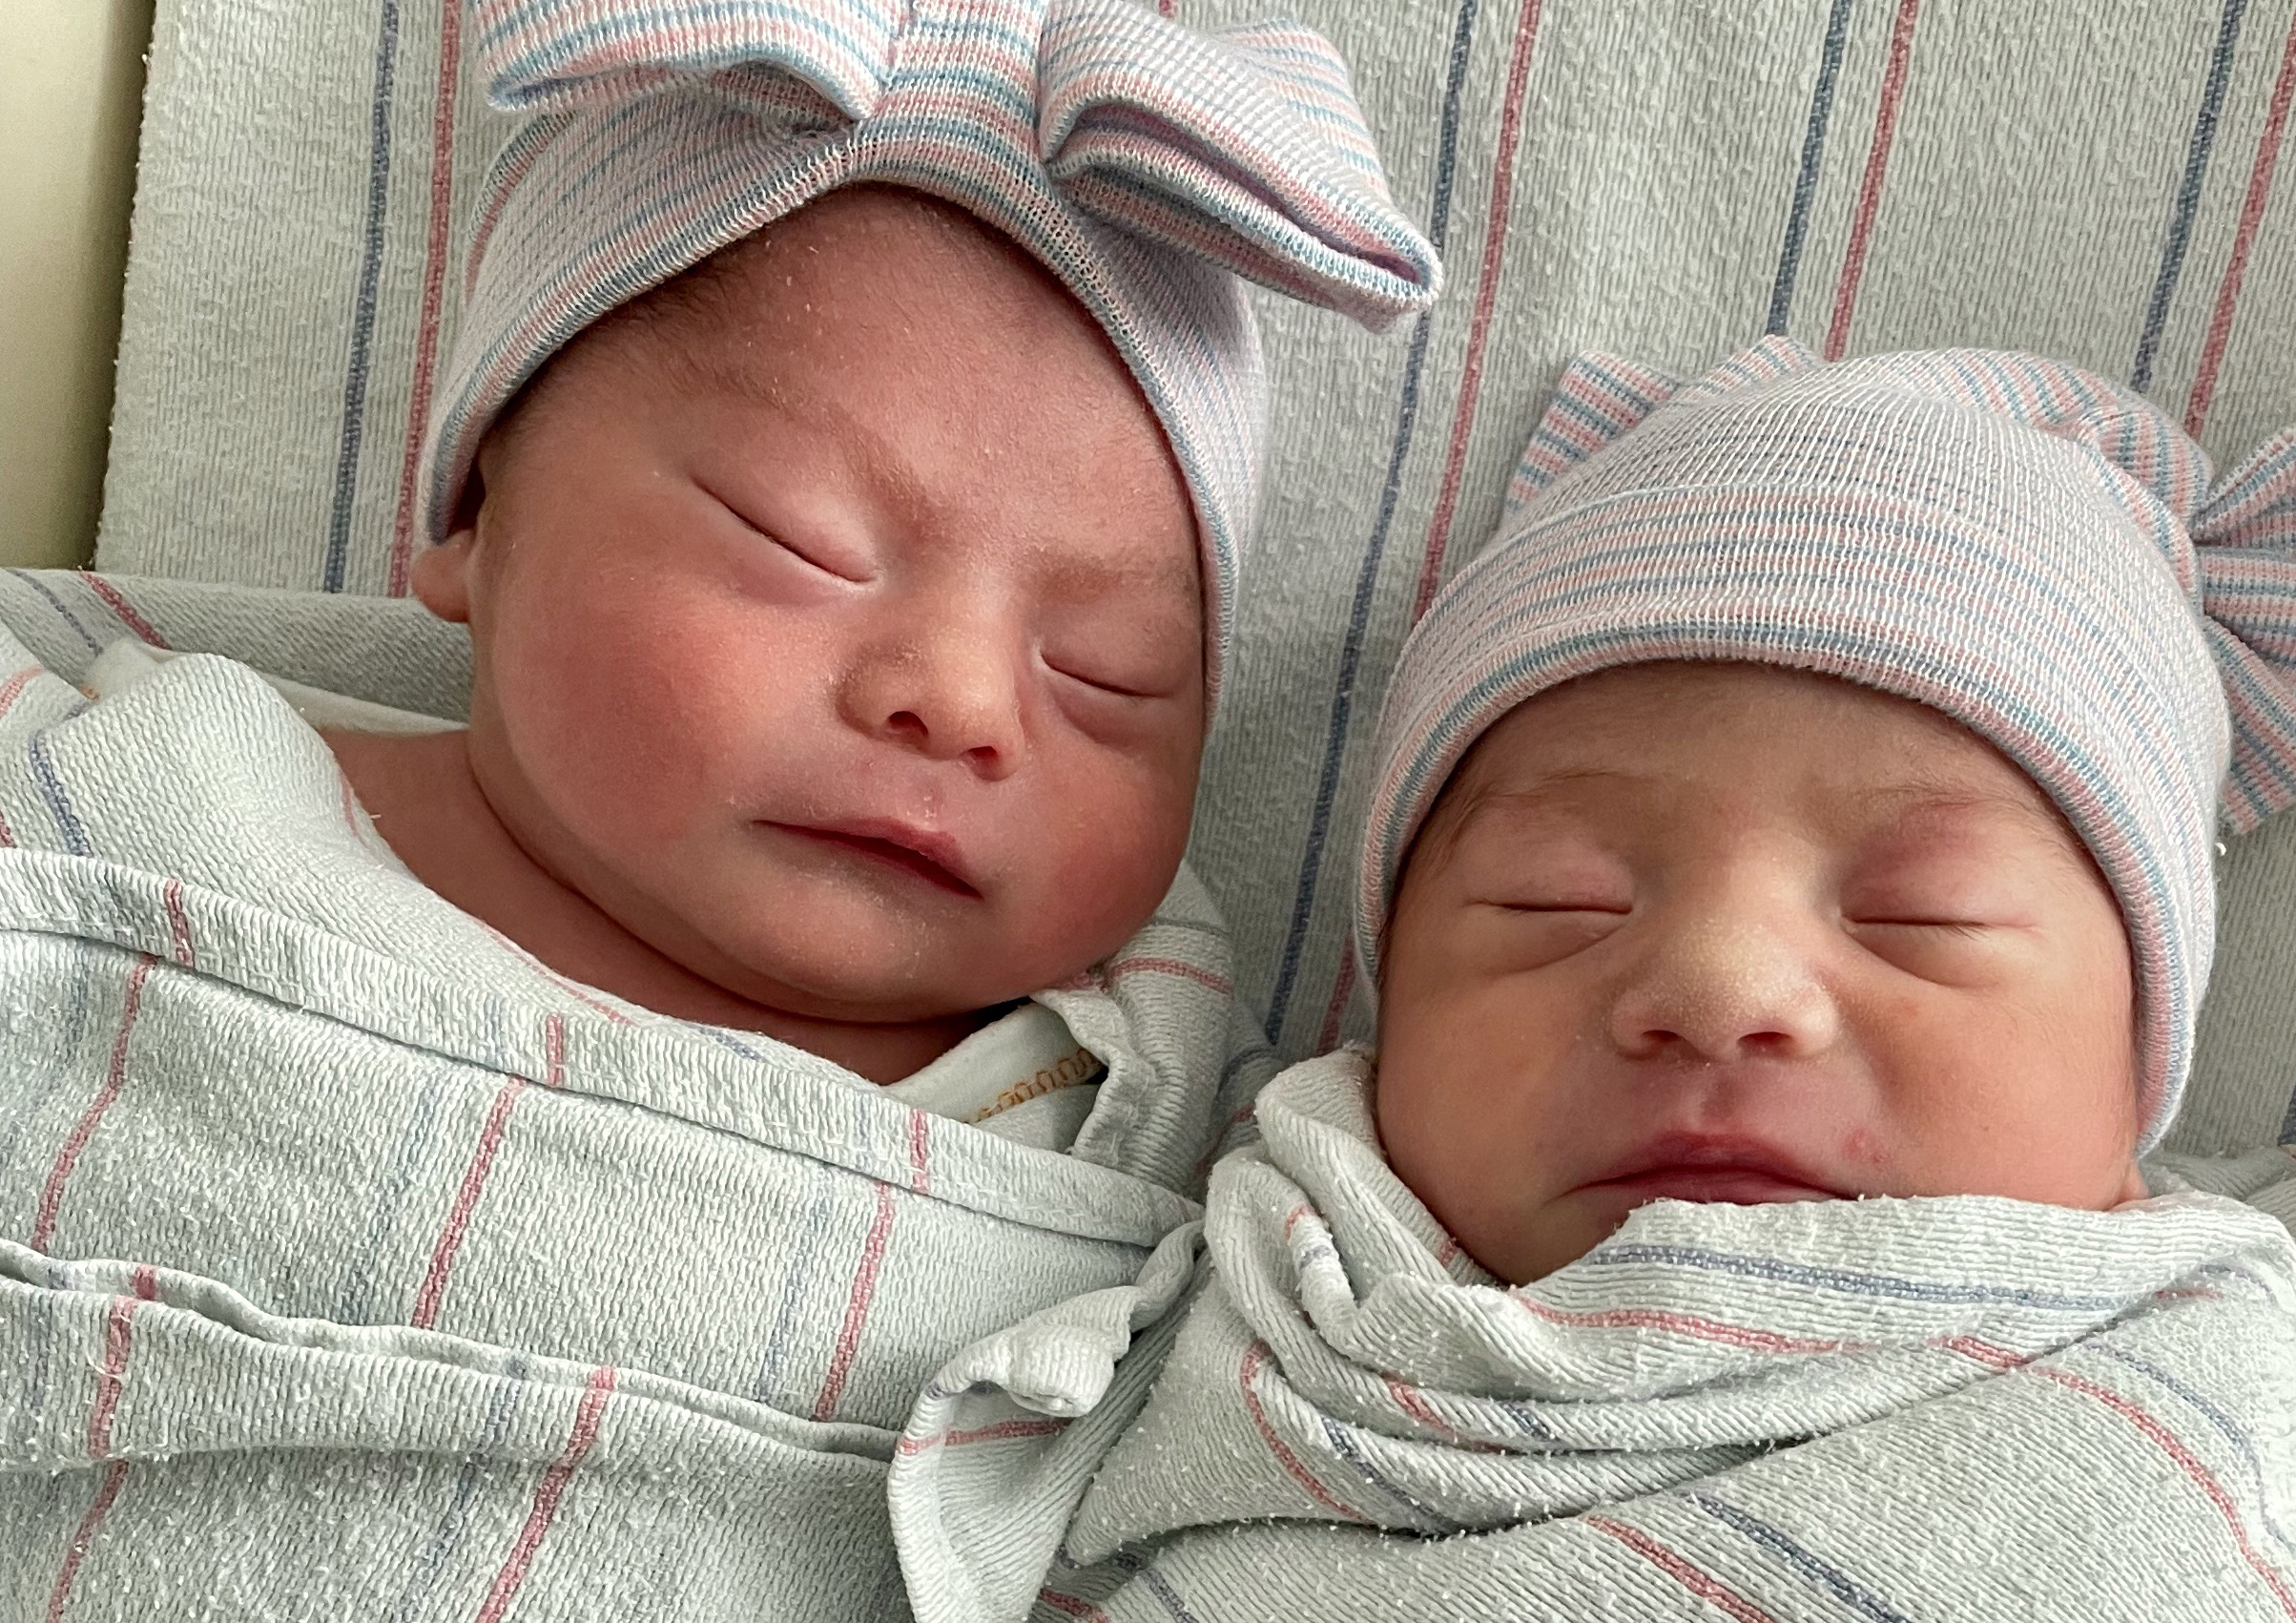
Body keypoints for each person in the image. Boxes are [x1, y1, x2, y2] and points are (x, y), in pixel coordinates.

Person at [0, 2, 1432, 1616]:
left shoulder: (1172, 1127)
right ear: (478, 513)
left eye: (1105, 672)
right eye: (799, 539)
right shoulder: (145, 785)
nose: (958, 701)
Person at [891, 340, 2296, 1623]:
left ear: (2140, 1067)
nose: (1715, 985)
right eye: (1553, 899)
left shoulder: (2177, 1390)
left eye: (1924, 912)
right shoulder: (1267, 1306)